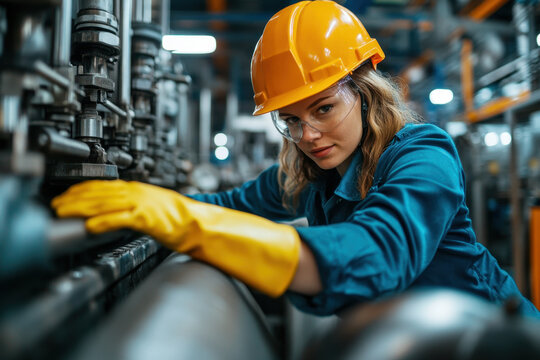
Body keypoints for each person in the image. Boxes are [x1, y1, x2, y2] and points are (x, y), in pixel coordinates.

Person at [52, 1, 539, 317]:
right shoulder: (312, 174)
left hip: (492, 341)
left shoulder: (424, 155)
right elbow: (231, 203)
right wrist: (149, 202)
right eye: (290, 119)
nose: (307, 135)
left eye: (323, 108)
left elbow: (374, 255)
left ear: (366, 92)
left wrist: (188, 224)